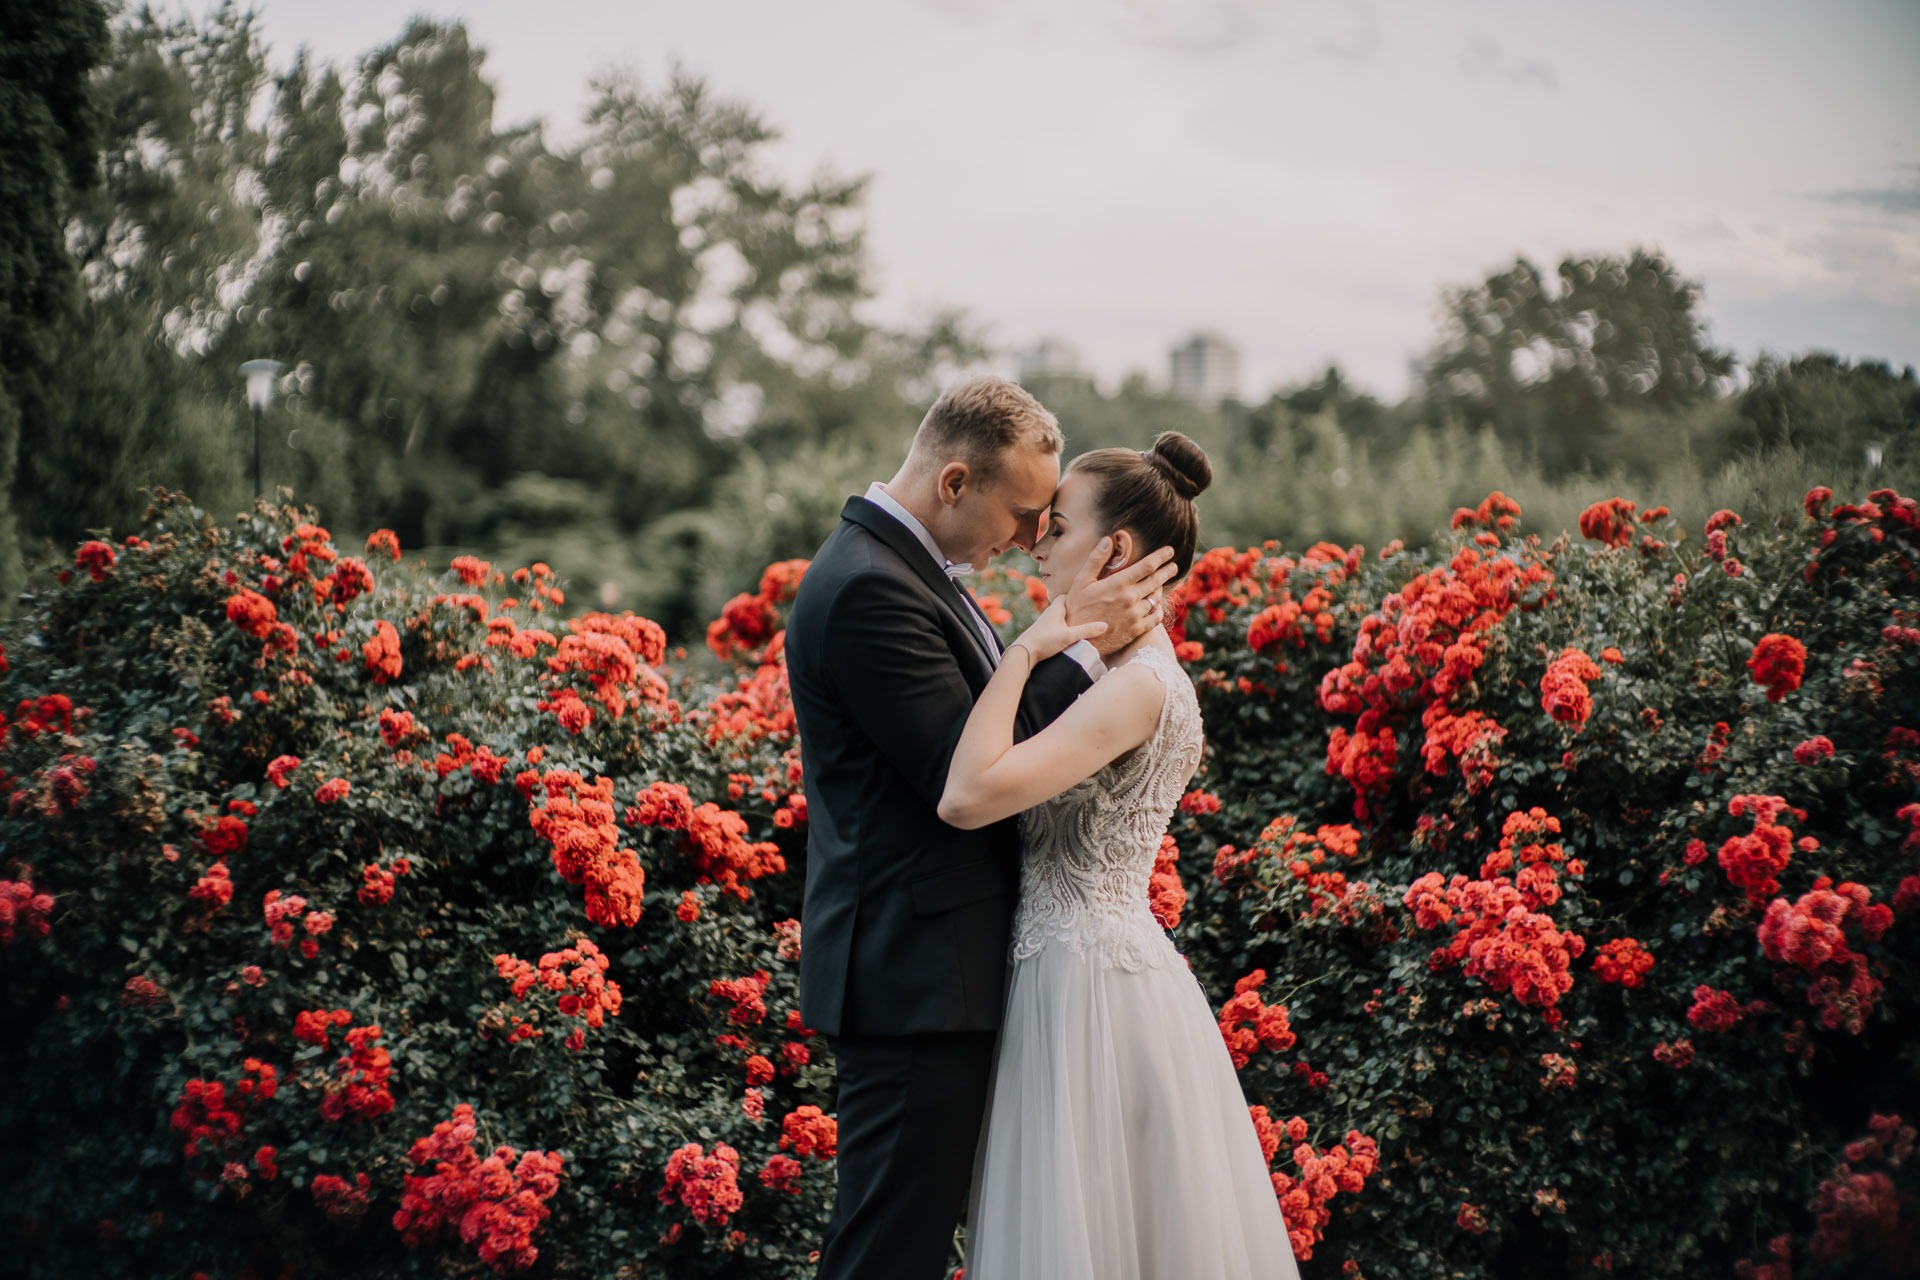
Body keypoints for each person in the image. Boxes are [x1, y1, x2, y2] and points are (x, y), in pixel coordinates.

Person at [785, 375, 1178, 1280]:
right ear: (955, 483)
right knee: (888, 1248)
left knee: (908, 1240)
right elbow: (961, 770)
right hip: (913, 976)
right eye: (1025, 510)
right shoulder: (867, 590)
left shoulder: (908, 571)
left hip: (939, 966)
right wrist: (1076, 643)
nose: (1035, 535)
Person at [940, 432, 1302, 1279]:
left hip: (1088, 992)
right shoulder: (1114, 671)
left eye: (1057, 528)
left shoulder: (1136, 688)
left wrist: (1030, 646)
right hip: (1071, 972)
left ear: (1118, 551)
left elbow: (966, 795)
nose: (1037, 545)